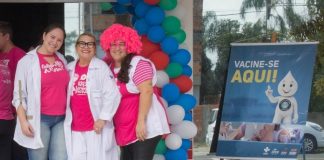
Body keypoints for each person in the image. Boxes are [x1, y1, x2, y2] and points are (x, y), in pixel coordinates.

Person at [100, 24, 170, 160]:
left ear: (130, 46)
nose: (117, 48)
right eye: (113, 44)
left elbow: (147, 91)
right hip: (124, 128)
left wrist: (141, 122)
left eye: (122, 44)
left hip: (144, 126)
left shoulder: (139, 63)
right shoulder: (109, 67)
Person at [12, 23, 69, 160]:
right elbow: (19, 94)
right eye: (52, 37)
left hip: (61, 120)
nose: (55, 42)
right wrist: (23, 121)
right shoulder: (27, 61)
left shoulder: (61, 59)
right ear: (44, 36)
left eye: (59, 40)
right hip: (39, 120)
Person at [64, 33, 121, 160]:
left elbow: (113, 94)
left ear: (95, 49)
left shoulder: (101, 67)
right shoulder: (69, 69)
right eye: (82, 43)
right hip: (75, 128)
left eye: (90, 44)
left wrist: (103, 118)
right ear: (76, 47)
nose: (86, 46)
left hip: (95, 127)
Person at [0, 21, 28, 160]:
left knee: (17, 152)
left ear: (6, 36)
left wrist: (20, 113)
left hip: (16, 115)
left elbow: (25, 87)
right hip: (4, 115)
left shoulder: (20, 56)